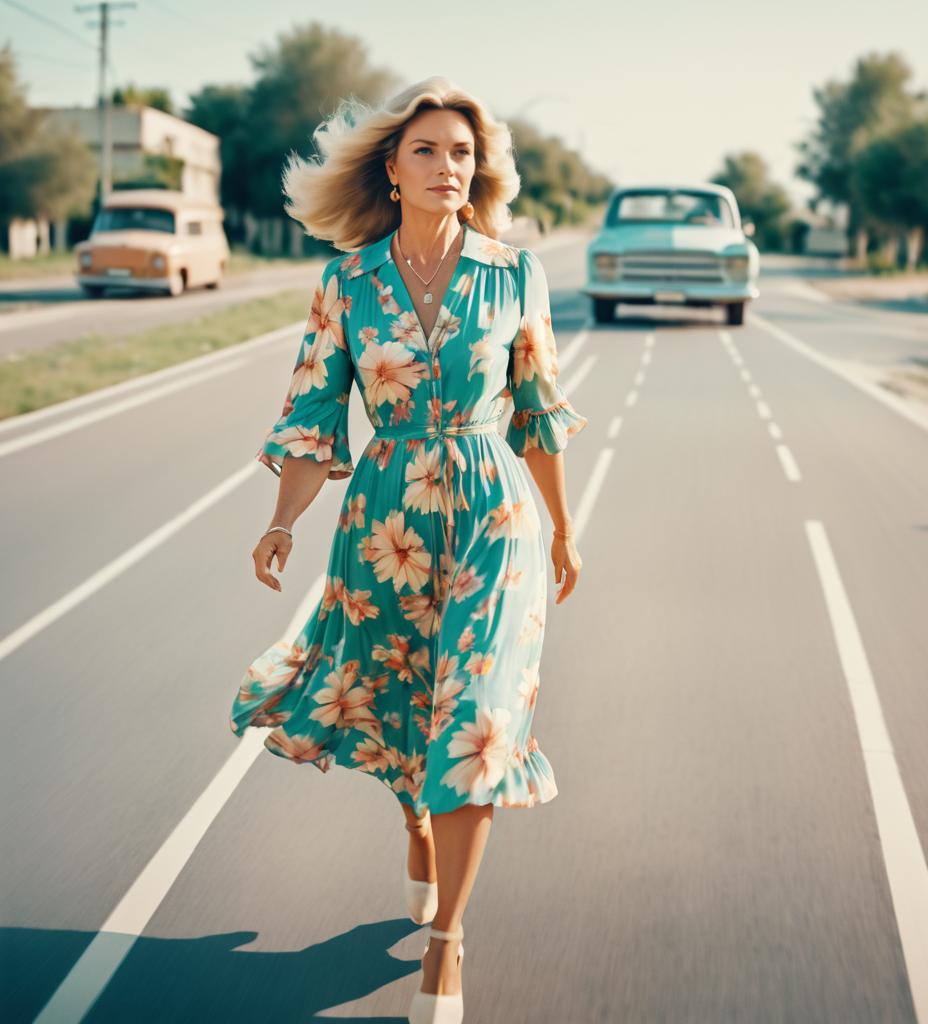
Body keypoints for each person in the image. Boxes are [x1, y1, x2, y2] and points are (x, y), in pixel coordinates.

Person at [227, 76, 588, 1024]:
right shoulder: (347, 281)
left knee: (473, 716)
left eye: (462, 153)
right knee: (398, 699)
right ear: (391, 169)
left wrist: (563, 526)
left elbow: (539, 415)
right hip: (384, 524)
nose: (447, 167)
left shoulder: (516, 275)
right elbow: (312, 414)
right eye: (427, 150)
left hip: (494, 521)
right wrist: (281, 522)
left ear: (481, 171)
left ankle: (448, 941)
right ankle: (413, 816)